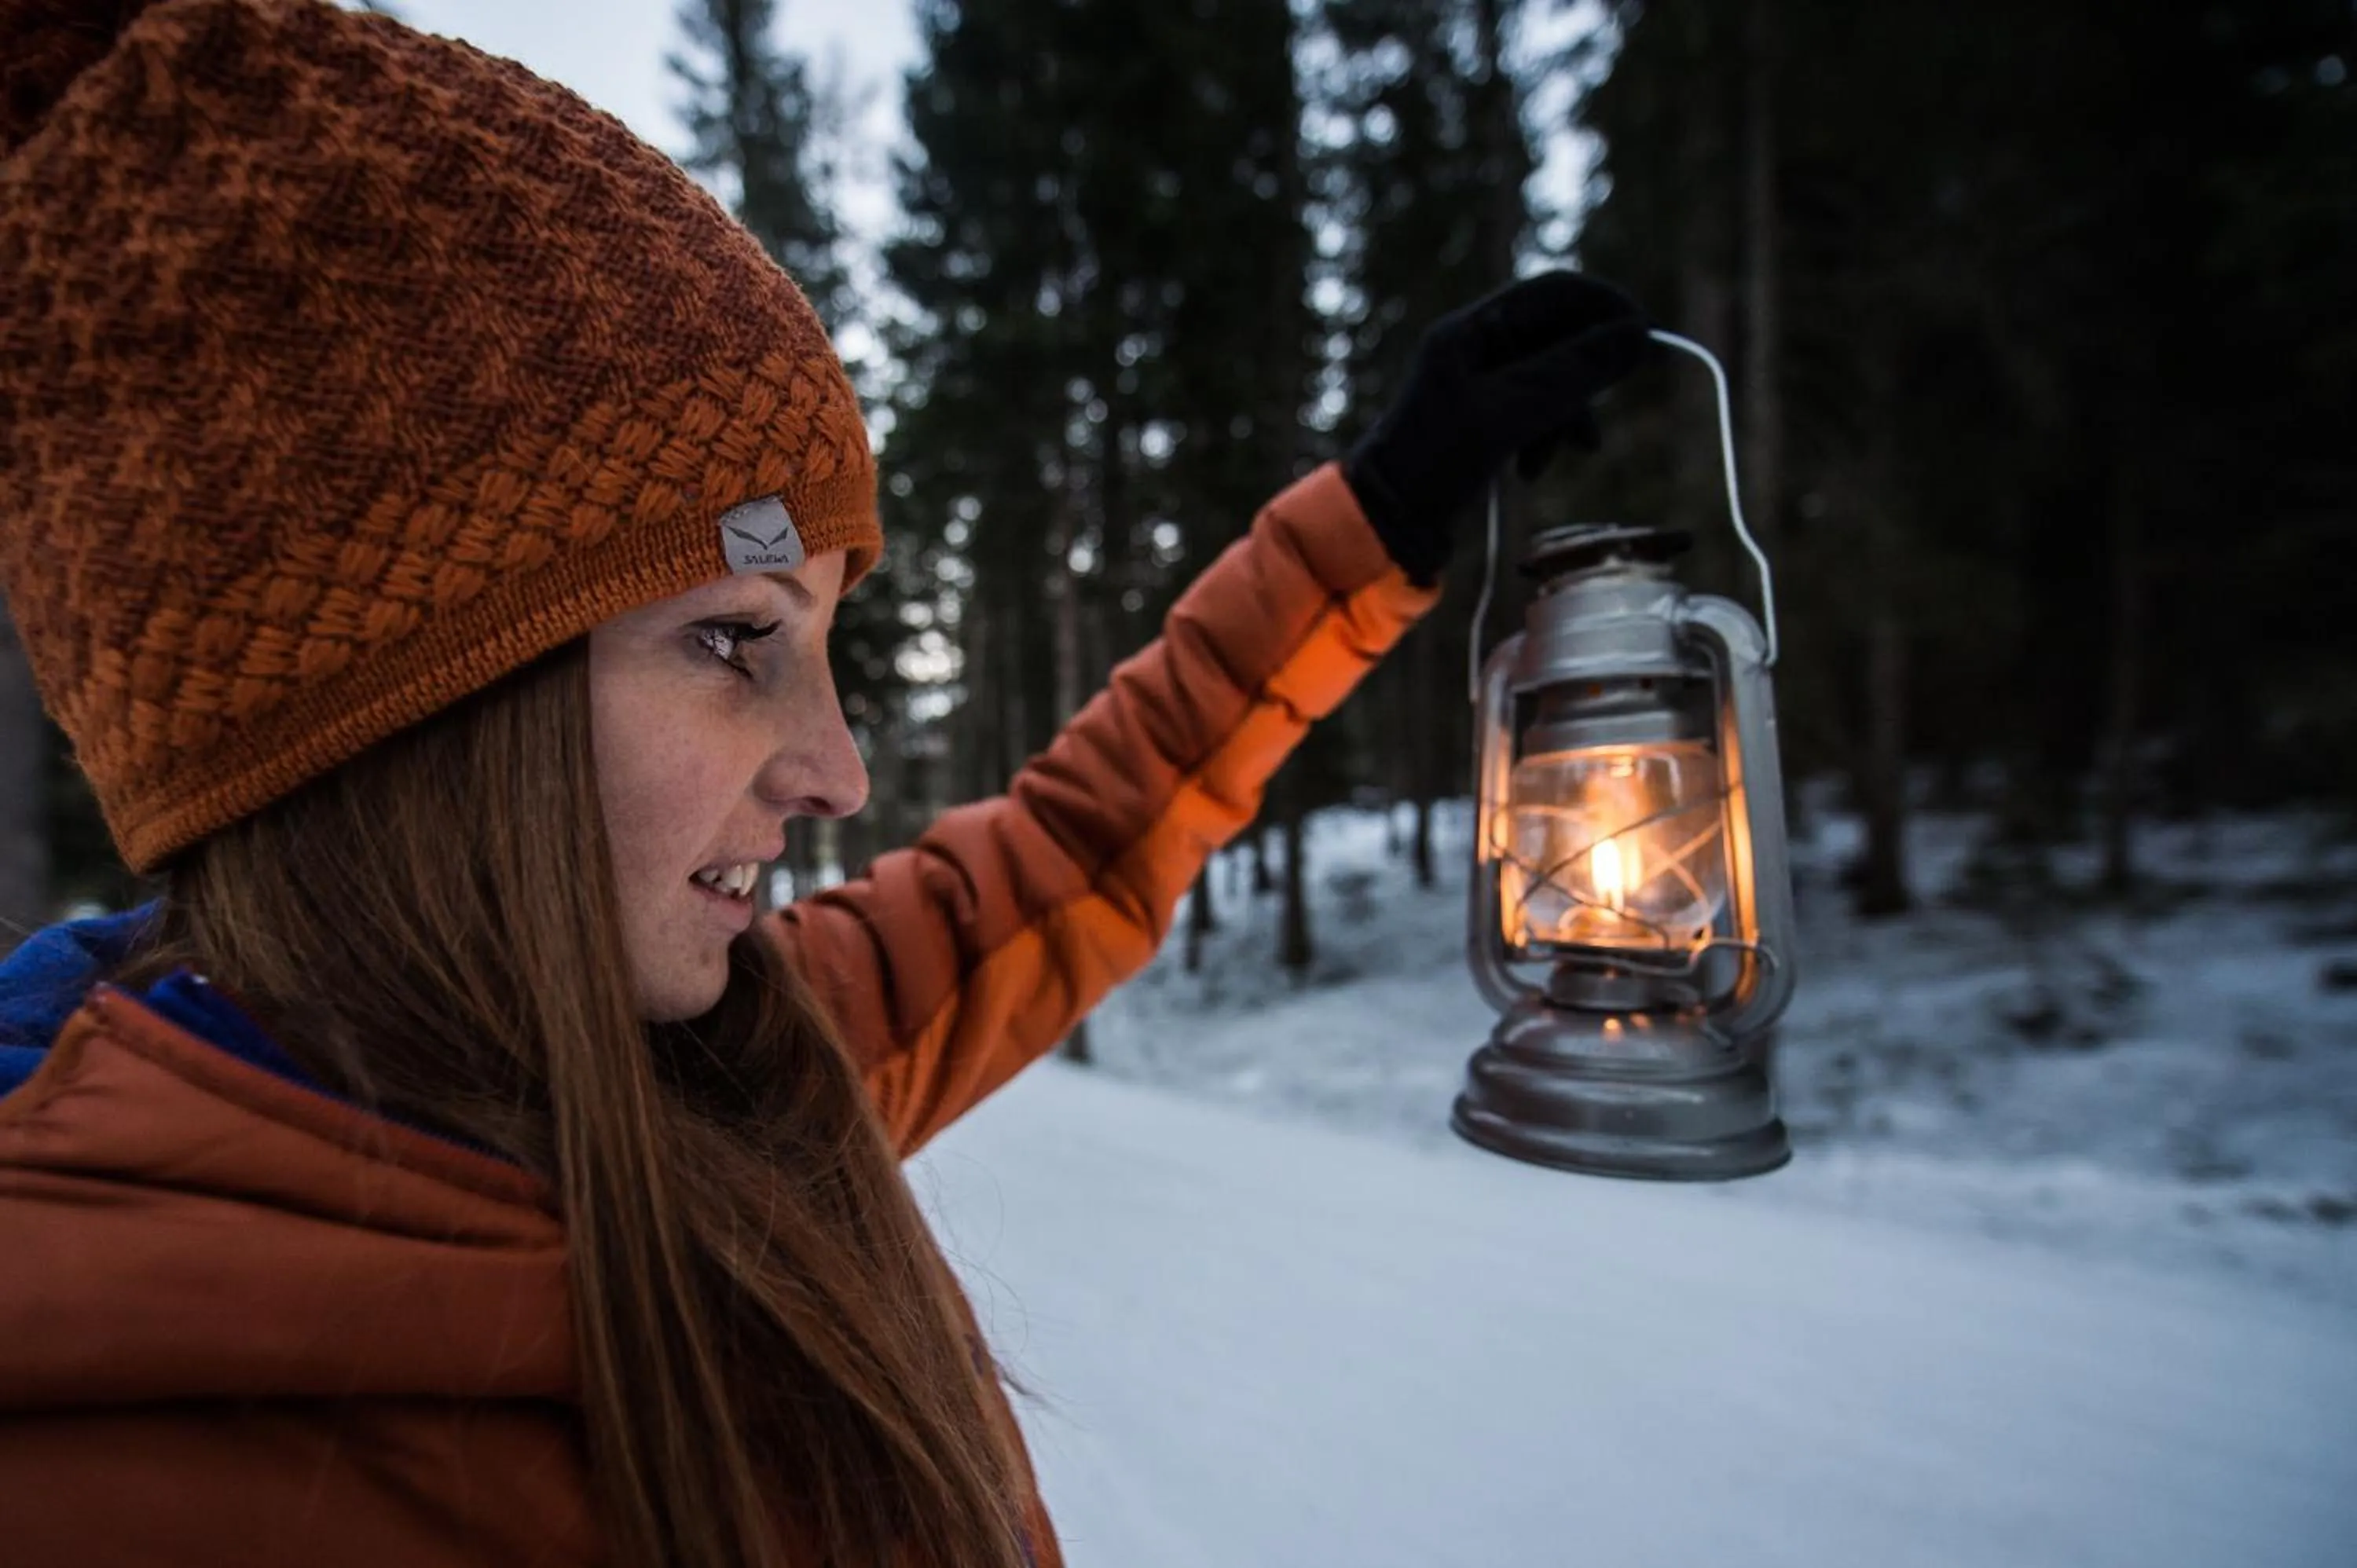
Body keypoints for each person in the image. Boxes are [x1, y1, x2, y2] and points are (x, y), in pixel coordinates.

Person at [0, 2, 1650, 1563]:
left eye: (826, 639)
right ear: (397, 703)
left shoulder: (732, 1076)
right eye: (733, 636)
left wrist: (1373, 520)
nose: (841, 769)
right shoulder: (95, 1458)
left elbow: (1067, 852)